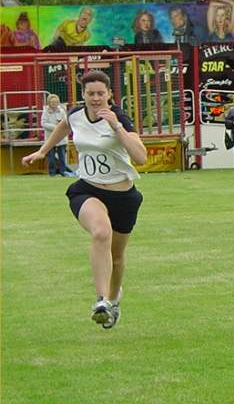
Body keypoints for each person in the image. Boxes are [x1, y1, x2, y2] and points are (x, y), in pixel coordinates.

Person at [21, 70, 147, 329]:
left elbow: (141, 157)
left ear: (110, 94)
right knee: (101, 232)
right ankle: (101, 301)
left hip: (123, 196)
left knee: (117, 257)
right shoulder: (75, 114)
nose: (96, 98)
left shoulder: (120, 118)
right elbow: (63, 126)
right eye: (91, 93)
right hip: (87, 190)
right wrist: (42, 151)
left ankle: (113, 301)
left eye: (101, 93)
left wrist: (116, 126)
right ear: (84, 95)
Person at [41, 94, 75, 176]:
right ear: (49, 103)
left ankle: (63, 172)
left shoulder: (62, 111)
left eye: (56, 102)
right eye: (52, 102)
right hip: (50, 138)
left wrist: (60, 128)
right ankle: (52, 173)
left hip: (61, 138)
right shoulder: (45, 112)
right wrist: (55, 127)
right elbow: (43, 123)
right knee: (51, 158)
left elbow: (66, 122)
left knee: (62, 157)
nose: (54, 104)